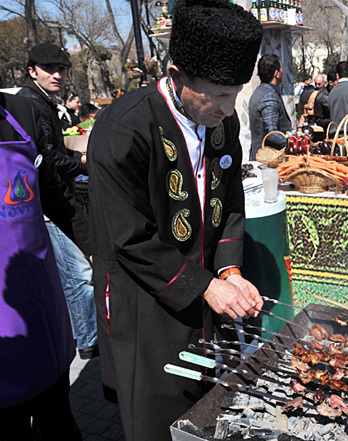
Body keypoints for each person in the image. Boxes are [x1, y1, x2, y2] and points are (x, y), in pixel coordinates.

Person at [87, 1, 264, 440]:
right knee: (157, 414)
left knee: (209, 400)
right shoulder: (124, 128)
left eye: (236, 93)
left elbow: (231, 202)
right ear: (177, 74)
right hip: (144, 297)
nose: (229, 107)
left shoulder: (220, 123)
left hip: (206, 285)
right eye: (219, 94)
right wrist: (206, 285)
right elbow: (128, 237)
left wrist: (230, 270)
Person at [0, 88, 90, 440]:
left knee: (59, 423)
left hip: (40, 315)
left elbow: (56, 196)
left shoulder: (15, 110)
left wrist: (97, 250)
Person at [17, 42, 98, 359]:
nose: (57, 74)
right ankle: (89, 341)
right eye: (50, 68)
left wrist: (76, 156)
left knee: (80, 270)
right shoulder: (30, 104)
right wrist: (79, 162)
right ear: (32, 70)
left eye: (62, 69)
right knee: (79, 274)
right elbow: (44, 157)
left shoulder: (41, 101)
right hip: (49, 203)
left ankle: (90, 336)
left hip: (57, 199)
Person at [249, 53, 292, 160]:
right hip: (268, 160)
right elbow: (272, 133)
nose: (283, 71)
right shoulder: (269, 96)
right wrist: (294, 144)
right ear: (276, 74)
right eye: (281, 68)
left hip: (261, 156)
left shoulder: (259, 91)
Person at [314, 67, 338, 132]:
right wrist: (334, 121)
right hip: (330, 132)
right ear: (331, 83)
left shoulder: (345, 93)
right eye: (338, 83)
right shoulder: (321, 97)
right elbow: (318, 120)